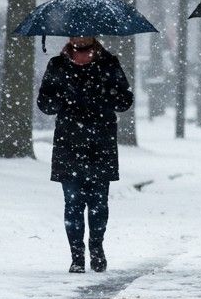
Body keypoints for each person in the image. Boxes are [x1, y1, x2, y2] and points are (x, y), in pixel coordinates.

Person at [37, 36, 133, 273]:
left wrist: (104, 92)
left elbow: (125, 101)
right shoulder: (57, 65)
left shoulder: (109, 64)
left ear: (93, 37)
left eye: (84, 32)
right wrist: (65, 98)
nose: (79, 37)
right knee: (72, 203)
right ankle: (77, 256)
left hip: (100, 145)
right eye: (74, 33)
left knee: (99, 204)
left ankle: (97, 248)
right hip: (68, 144)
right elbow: (44, 103)